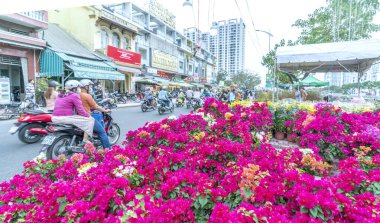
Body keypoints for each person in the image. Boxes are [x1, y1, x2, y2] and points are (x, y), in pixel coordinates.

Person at [52, 80, 94, 146]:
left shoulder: (60, 94)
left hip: (54, 117)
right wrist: (87, 115)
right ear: (74, 88)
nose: (79, 89)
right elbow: (80, 110)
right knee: (90, 120)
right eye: (78, 88)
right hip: (65, 118)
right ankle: (85, 140)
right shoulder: (74, 95)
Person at [79, 79, 111, 149]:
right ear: (86, 87)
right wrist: (105, 111)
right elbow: (95, 106)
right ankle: (108, 150)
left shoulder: (77, 95)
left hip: (78, 117)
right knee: (102, 132)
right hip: (87, 117)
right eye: (89, 86)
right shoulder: (87, 96)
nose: (90, 88)